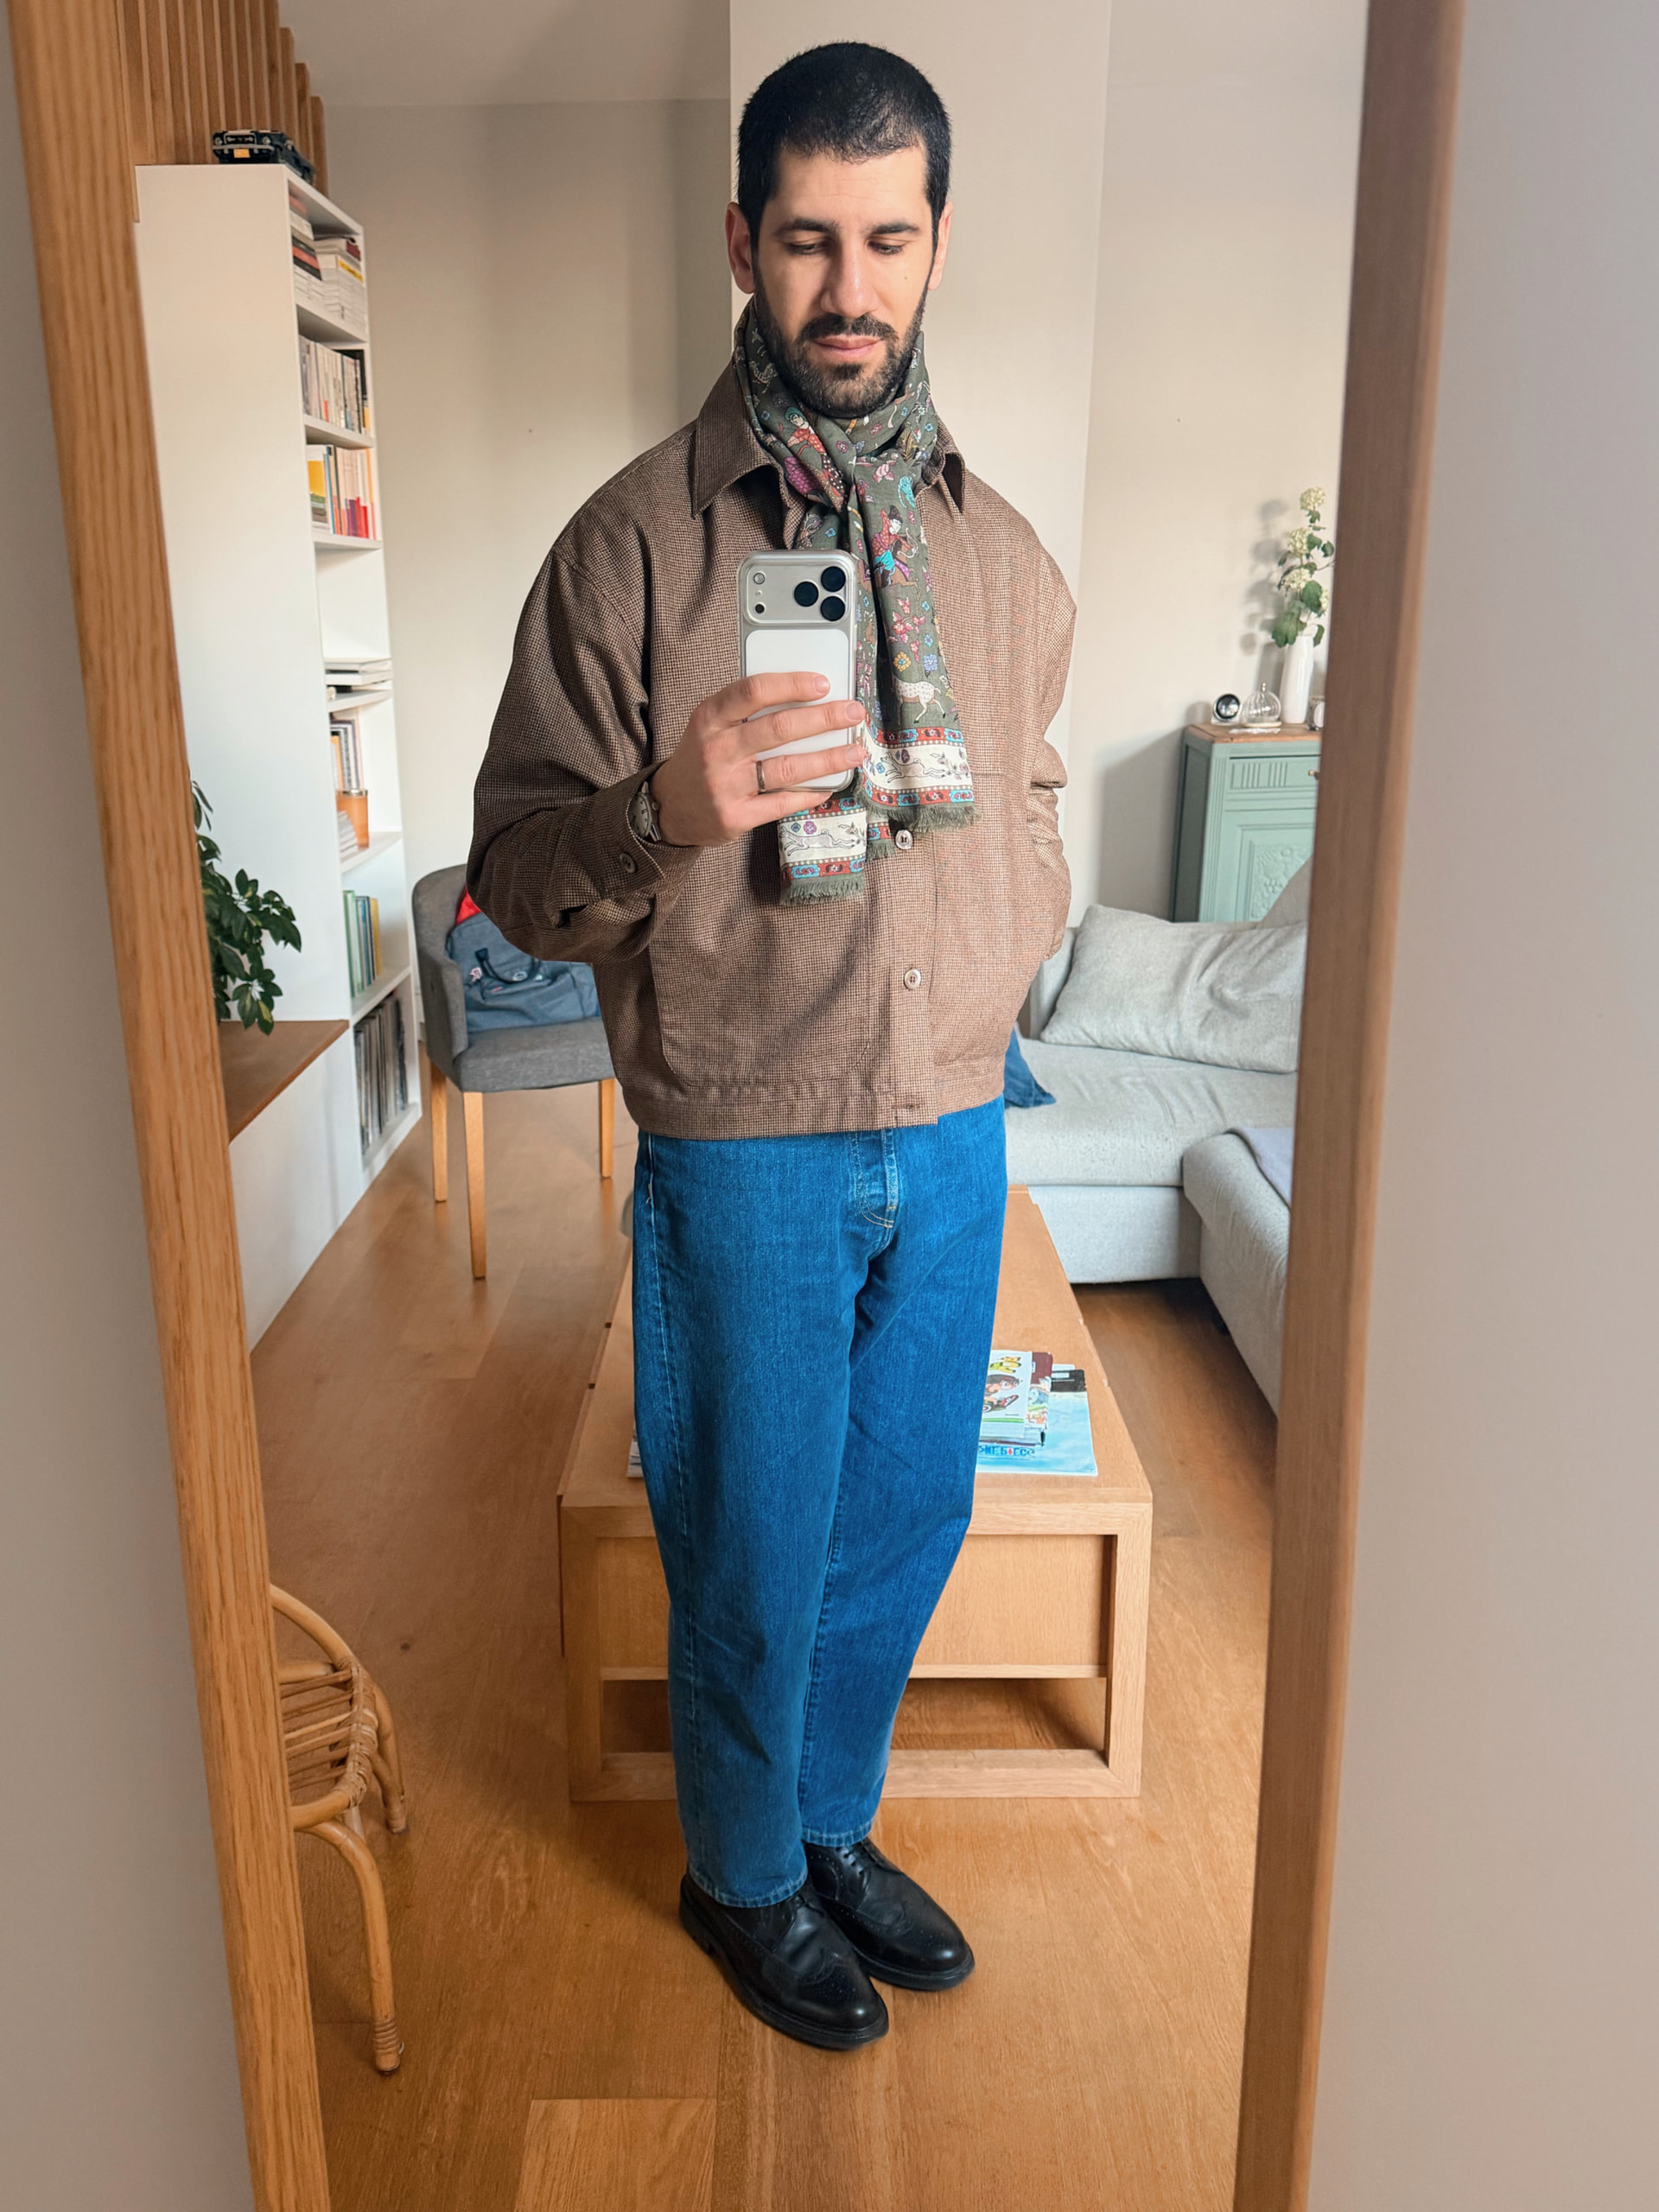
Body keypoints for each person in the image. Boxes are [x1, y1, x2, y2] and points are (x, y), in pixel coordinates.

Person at [469, 41, 1072, 2050]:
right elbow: (517, 876)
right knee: (749, 1534)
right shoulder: (631, 549)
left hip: (956, 1119)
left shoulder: (1003, 552)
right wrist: (666, 806)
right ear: (743, 241)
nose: (848, 285)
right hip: (744, 1136)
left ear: (937, 244)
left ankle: (823, 1822)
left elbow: (1033, 785)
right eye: (809, 237)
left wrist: (1014, 933)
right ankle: (738, 1872)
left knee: (906, 1516)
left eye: (886, 240)